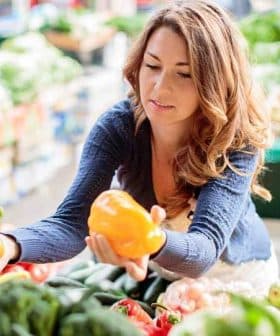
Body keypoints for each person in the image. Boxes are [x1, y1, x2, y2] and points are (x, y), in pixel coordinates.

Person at [0, 0, 278, 296]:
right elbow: (70, 224)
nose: (159, 88)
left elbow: (204, 250)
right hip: (166, 279)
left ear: (215, 81)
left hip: (240, 279)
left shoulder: (235, 141)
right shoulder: (119, 127)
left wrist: (143, 239)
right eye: (153, 66)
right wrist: (10, 244)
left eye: (183, 74)